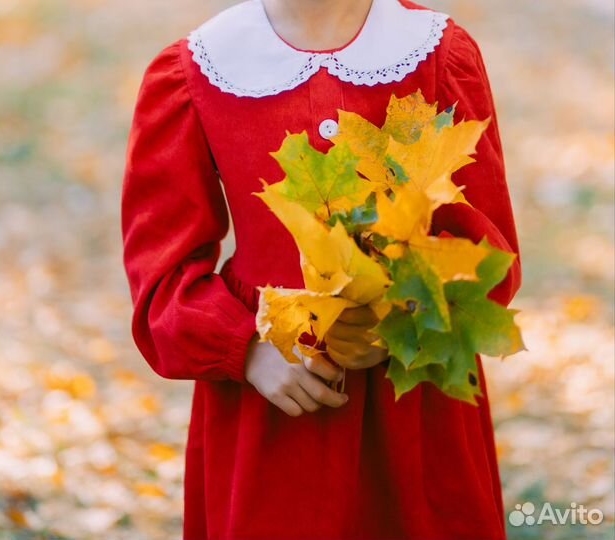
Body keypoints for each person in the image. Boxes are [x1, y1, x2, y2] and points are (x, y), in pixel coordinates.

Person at [120, 0, 522, 538]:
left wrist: (398, 316)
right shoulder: (198, 71)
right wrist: (248, 349)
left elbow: (487, 251)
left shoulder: (436, 54)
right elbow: (162, 276)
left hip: (416, 402)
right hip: (274, 408)